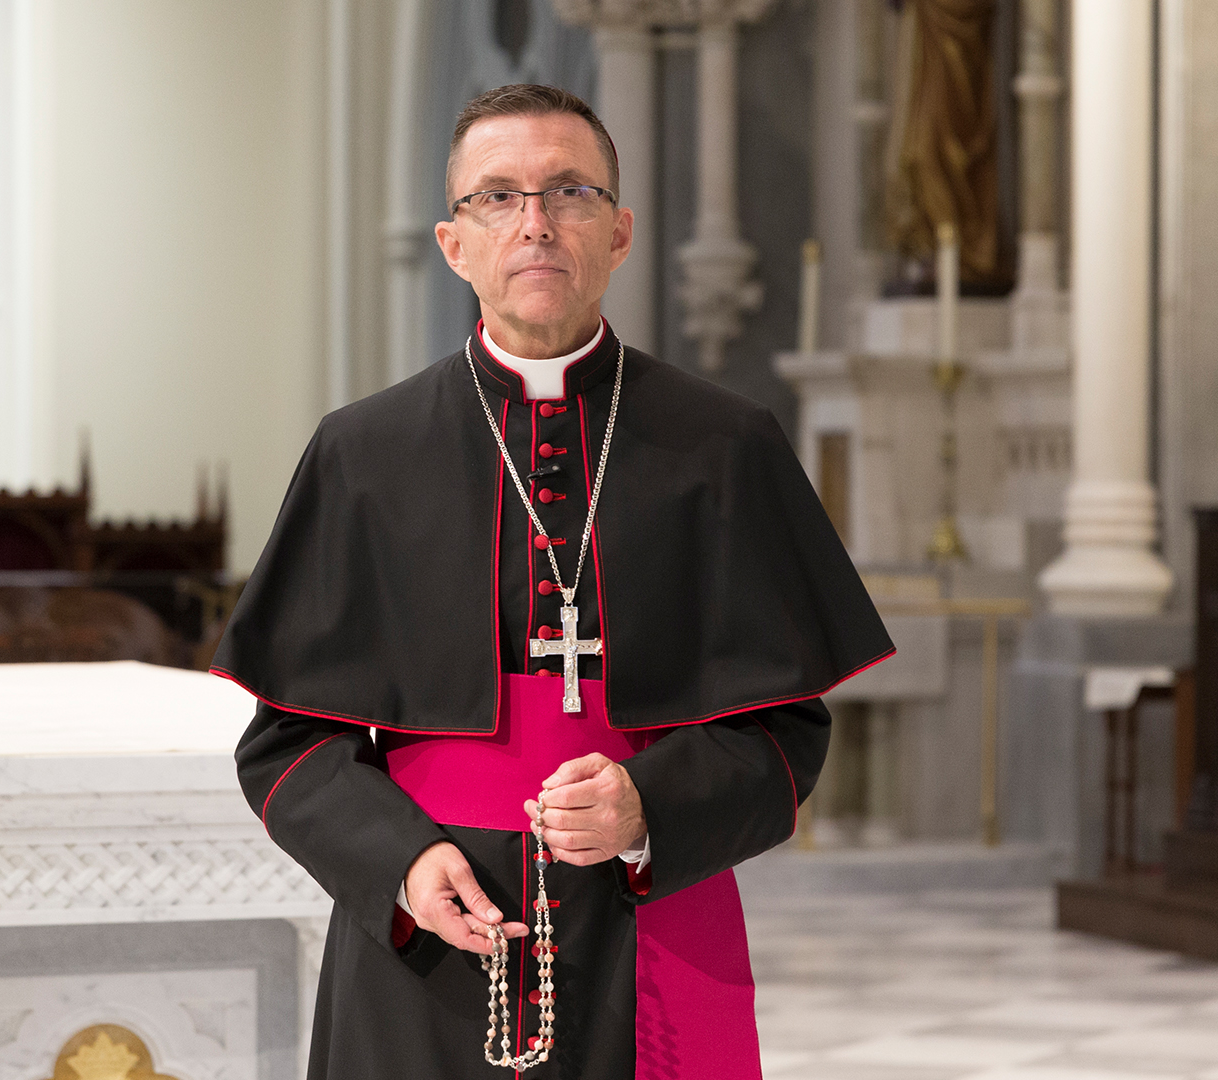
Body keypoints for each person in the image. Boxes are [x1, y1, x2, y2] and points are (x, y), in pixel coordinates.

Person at [212, 84, 893, 1079]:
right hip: (431, 932)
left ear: (618, 234)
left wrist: (648, 807)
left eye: (568, 191)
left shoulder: (726, 446)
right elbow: (285, 747)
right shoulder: (363, 453)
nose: (535, 223)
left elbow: (789, 739)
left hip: (643, 910)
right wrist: (398, 863)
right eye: (499, 197)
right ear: (454, 244)